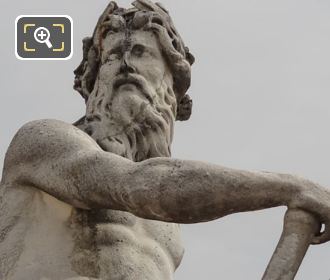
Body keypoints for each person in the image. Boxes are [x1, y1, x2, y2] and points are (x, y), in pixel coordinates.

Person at [1, 1, 329, 279]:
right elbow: (139, 187)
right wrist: (288, 187)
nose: (126, 63)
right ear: (93, 80)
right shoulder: (44, 144)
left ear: (172, 84)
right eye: (113, 56)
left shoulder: (171, 226)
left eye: (142, 52)